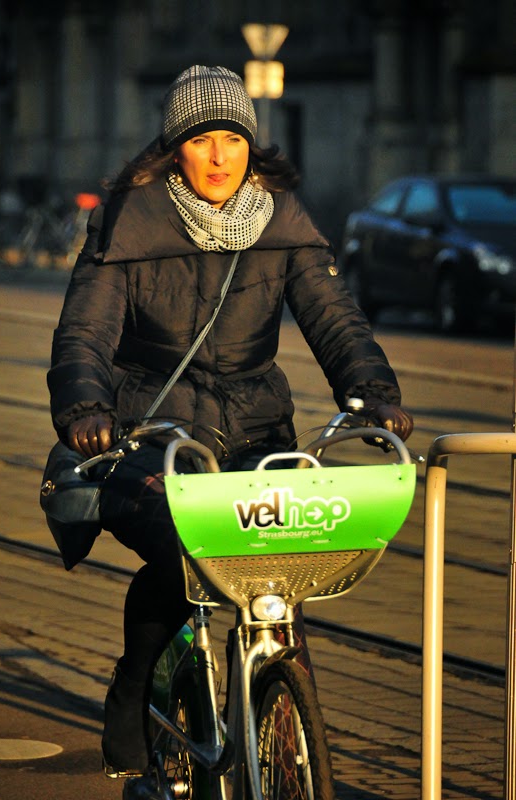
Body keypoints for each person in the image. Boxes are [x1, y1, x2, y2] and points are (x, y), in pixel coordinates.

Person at [47, 64, 414, 781]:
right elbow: (84, 333)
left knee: (280, 560)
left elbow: (335, 319)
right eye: (201, 140)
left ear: (252, 145)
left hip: (255, 433)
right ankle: (136, 682)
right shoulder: (128, 222)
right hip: (152, 436)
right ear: (174, 150)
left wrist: (370, 392)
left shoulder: (281, 222)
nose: (219, 157)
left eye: (233, 139)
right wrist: (86, 407)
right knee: (183, 557)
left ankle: (280, 711)